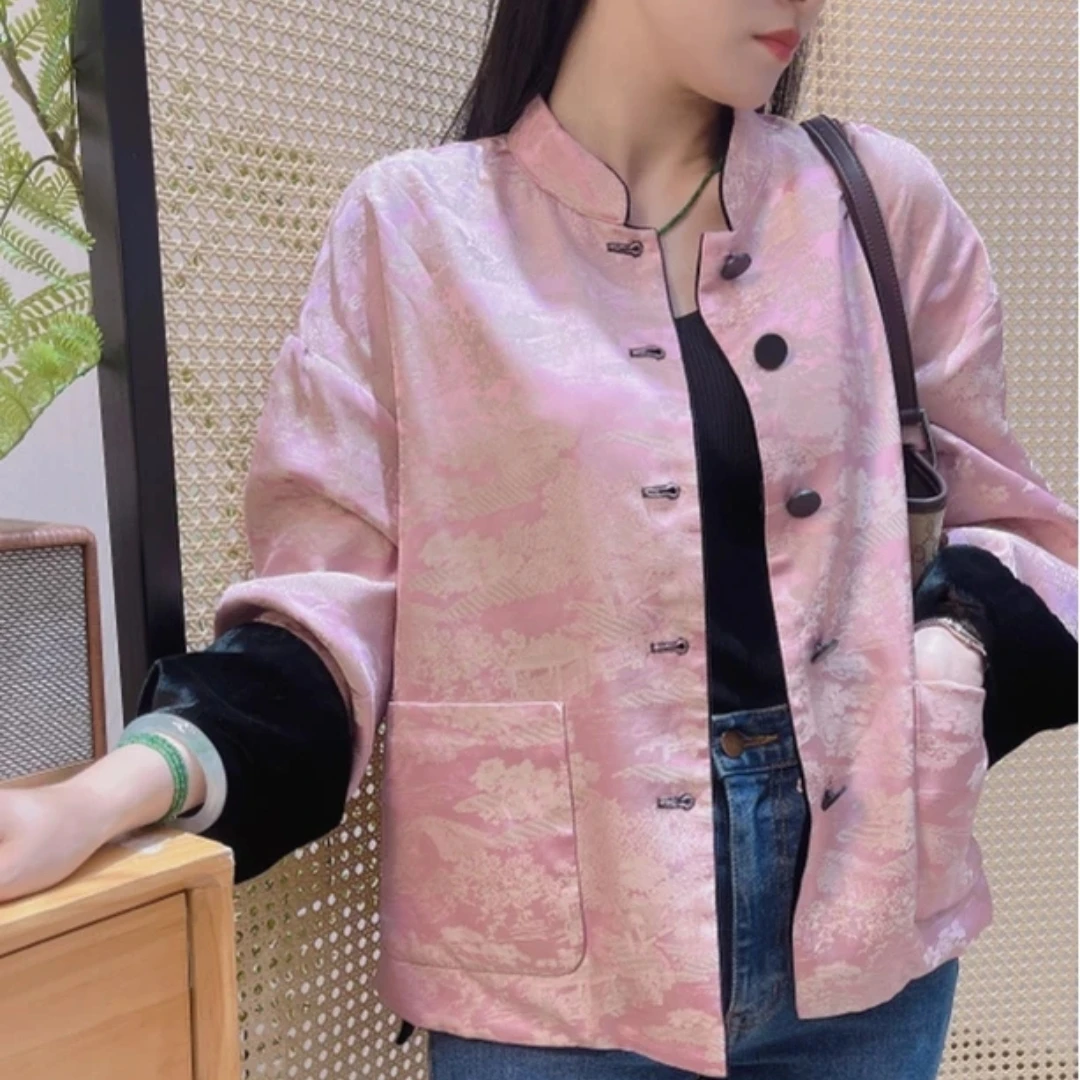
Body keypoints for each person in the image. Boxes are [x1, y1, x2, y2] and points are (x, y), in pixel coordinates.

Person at [1, 0, 1076, 1076]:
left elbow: (1016, 528)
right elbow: (329, 610)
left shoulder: (875, 204)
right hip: (545, 958)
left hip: (867, 915)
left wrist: (951, 663)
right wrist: (103, 797)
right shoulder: (415, 229)